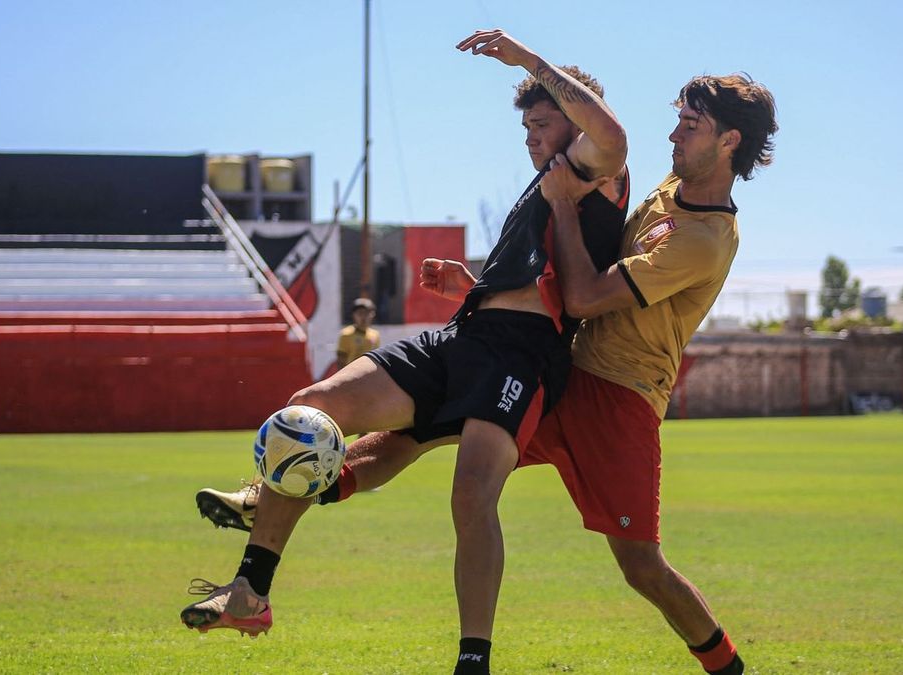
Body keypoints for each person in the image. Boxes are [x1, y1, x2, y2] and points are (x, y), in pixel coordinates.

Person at [200, 73, 777, 674]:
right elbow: (555, 280)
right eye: (678, 121)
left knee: (641, 568)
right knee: (407, 438)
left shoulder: (706, 239)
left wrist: (524, 62)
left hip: (617, 400)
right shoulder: (667, 189)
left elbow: (579, 294)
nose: (675, 136)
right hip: (559, 367)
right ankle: (278, 507)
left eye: (691, 126)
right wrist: (482, 286)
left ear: (730, 141)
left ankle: (728, 667)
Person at [181, 28, 629, 675]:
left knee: (470, 495)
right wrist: (472, 284)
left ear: (574, 118)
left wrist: (529, 60)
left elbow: (611, 135)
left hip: (522, 359)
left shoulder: (597, 169)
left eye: (540, 122)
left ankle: (472, 659)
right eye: (525, 125)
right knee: (309, 411)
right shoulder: (541, 187)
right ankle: (250, 592)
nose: (529, 135)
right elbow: (534, 285)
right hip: (464, 338)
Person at [332, 297, 379, 373]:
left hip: (370, 375)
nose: (363, 317)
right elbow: (341, 360)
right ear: (354, 315)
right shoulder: (346, 334)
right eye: (360, 313)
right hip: (352, 375)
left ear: (372, 314)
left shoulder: (375, 335)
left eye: (367, 313)